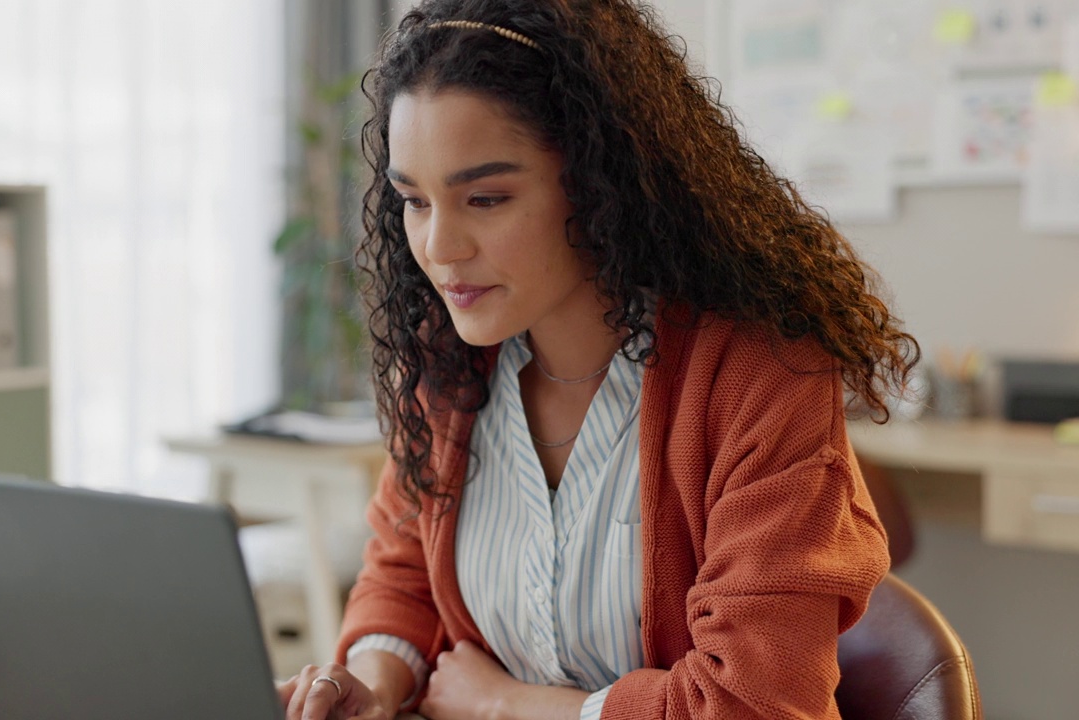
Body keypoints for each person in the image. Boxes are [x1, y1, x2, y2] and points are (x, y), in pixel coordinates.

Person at [276, 1, 919, 718]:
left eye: (485, 198)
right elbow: (404, 576)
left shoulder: (759, 373)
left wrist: (508, 707)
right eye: (414, 201)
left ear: (600, 180)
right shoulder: (448, 370)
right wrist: (371, 678)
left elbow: (756, 702)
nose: (439, 247)